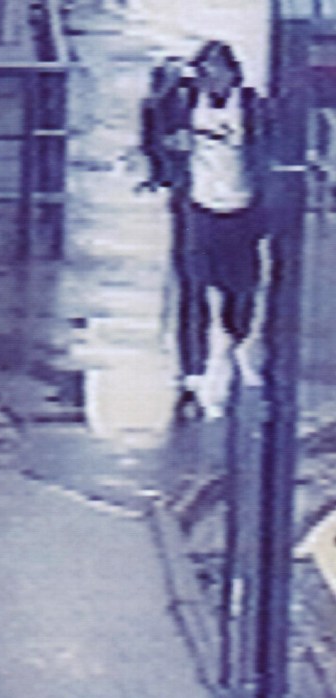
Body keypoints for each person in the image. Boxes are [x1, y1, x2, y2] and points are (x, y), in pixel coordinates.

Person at [143, 41, 268, 419]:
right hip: (196, 208)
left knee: (241, 289)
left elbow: (270, 148)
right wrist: (163, 159)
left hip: (242, 210)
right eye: (203, 72)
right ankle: (191, 375)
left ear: (233, 73)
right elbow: (151, 120)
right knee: (192, 290)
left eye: (216, 71)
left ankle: (236, 339)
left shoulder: (252, 106)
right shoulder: (180, 104)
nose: (210, 80)